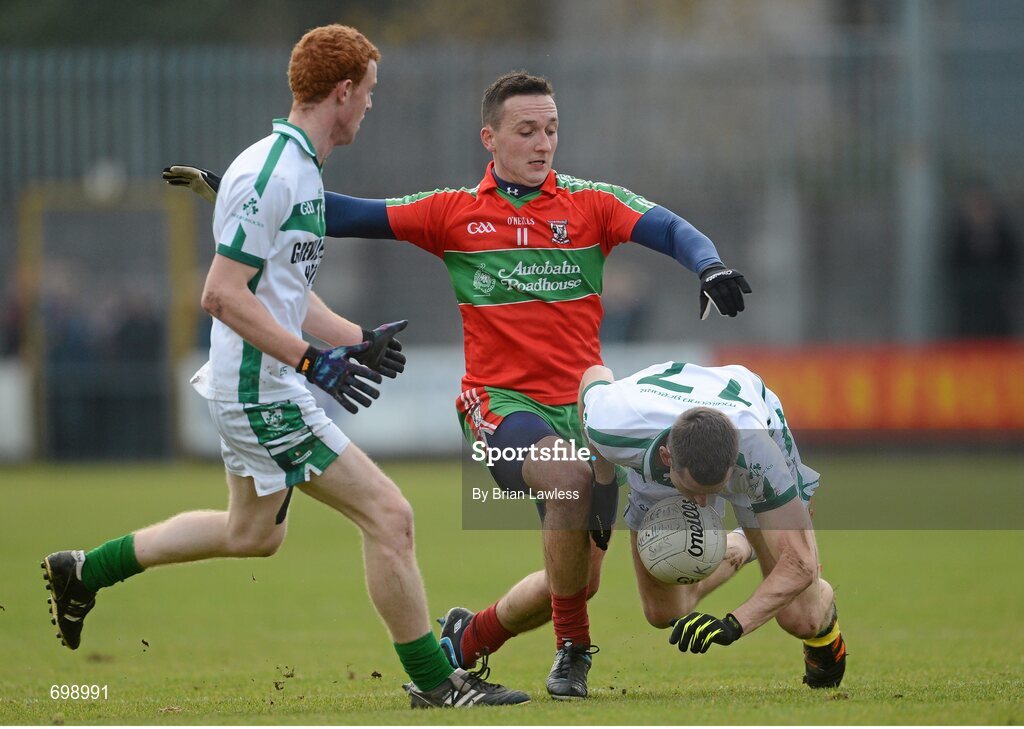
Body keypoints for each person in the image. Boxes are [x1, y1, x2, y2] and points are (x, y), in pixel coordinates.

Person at [163, 70, 752, 699]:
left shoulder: (590, 204)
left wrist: (708, 263)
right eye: (526, 130)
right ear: (489, 138)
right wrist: (235, 194)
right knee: (571, 485)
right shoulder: (454, 213)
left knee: (579, 580)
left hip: (582, 410)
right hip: (496, 408)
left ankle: (467, 638)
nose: (542, 142)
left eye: (551, 129)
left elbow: (668, 228)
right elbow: (341, 214)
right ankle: (573, 651)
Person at [42, 24, 529, 710]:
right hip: (260, 389)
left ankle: (85, 570)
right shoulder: (274, 171)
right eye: (370, 93)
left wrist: (353, 338)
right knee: (391, 514)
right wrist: (309, 360)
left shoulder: (299, 171)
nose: (370, 106)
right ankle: (437, 682)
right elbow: (220, 293)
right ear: (343, 92)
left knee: (251, 534)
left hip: (262, 381)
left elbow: (284, 291)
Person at [577, 359, 846, 689]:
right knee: (663, 612)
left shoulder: (759, 454)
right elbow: (594, 375)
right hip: (661, 433)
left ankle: (823, 629)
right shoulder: (612, 424)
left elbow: (801, 563)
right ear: (667, 459)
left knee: (801, 619)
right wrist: (603, 484)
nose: (703, 506)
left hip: (746, 417)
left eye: (713, 492)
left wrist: (734, 624)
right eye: (694, 491)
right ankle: (743, 542)